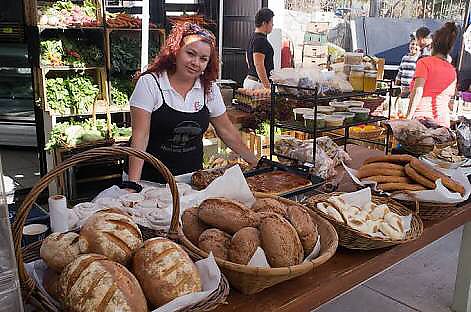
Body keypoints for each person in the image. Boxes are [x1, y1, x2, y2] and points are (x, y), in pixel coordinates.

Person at [127, 22, 258, 184]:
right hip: (148, 180)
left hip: (190, 181)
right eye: (190, 53)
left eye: (203, 59)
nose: (196, 62)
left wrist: (256, 162)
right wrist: (132, 185)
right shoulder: (150, 83)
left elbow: (227, 132)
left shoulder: (209, 90)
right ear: (175, 52)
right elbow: (141, 137)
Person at [406, 22, 458, 128]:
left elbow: (418, 91)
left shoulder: (424, 62)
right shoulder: (452, 70)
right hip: (443, 125)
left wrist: (408, 118)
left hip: (423, 123)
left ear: (433, 45)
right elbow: (450, 99)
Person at [243, 8, 274, 89]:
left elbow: (248, 60)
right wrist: (267, 87)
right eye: (271, 23)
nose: (272, 25)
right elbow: (259, 65)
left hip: (251, 81)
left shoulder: (252, 38)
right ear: (264, 23)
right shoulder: (260, 40)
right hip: (257, 84)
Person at [394, 35, 419, 116]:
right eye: (412, 44)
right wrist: (395, 86)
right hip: (403, 89)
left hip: (412, 90)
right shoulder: (404, 58)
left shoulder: (419, 59)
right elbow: (400, 73)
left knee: (407, 109)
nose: (414, 46)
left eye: (416, 45)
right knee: (399, 109)